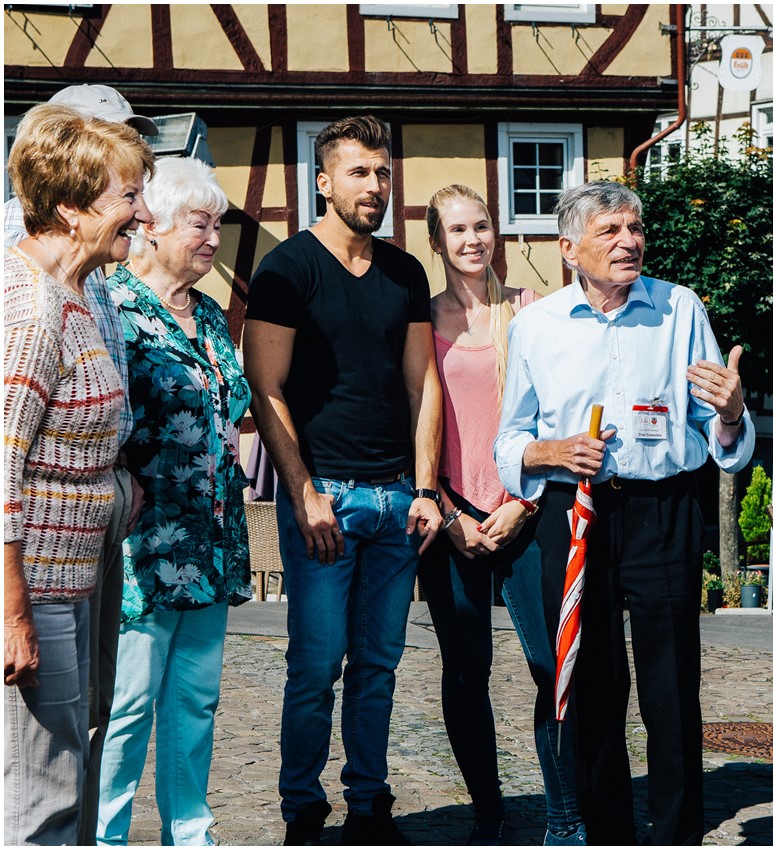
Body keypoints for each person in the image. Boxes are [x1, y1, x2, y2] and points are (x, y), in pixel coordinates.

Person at [494, 181, 753, 845]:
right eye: (610, 231)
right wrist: (554, 450)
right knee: (591, 689)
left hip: (662, 509)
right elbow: (510, 444)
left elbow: (721, 438)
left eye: (634, 229)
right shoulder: (536, 326)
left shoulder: (679, 308)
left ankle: (676, 837)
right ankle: (608, 833)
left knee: (672, 690)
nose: (630, 241)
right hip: (574, 512)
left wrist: (730, 411)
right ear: (568, 249)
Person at [243, 115, 443, 845]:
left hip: (395, 499)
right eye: (358, 172)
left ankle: (368, 803)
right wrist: (302, 493)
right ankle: (302, 808)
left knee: (380, 667)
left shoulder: (405, 272)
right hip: (324, 497)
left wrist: (424, 489)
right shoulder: (287, 269)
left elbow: (424, 387)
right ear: (323, 182)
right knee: (315, 667)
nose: (375, 186)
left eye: (383, 172)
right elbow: (265, 388)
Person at [2, 84, 157, 846]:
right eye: (128, 195)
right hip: (39, 586)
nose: (145, 212)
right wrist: (14, 615)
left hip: (75, 571)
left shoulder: (73, 290)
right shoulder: (32, 311)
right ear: (73, 208)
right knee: (42, 793)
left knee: (66, 773)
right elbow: (0, 470)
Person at [419, 184, 588, 846]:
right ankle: (489, 811)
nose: (472, 239)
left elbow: (558, 415)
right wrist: (443, 507)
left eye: (482, 225)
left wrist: (522, 504)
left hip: (527, 511)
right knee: (465, 675)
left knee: (554, 666)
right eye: (456, 229)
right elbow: (416, 424)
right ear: (436, 240)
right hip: (450, 518)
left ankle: (564, 811)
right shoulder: (421, 322)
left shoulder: (533, 313)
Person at [93, 157, 250, 845]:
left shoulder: (212, 315)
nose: (213, 238)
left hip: (210, 544)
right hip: (143, 547)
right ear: (151, 226)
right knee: (127, 706)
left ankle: (190, 832)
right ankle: (104, 834)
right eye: (199, 223)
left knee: (195, 701)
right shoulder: (114, 307)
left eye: (218, 224)